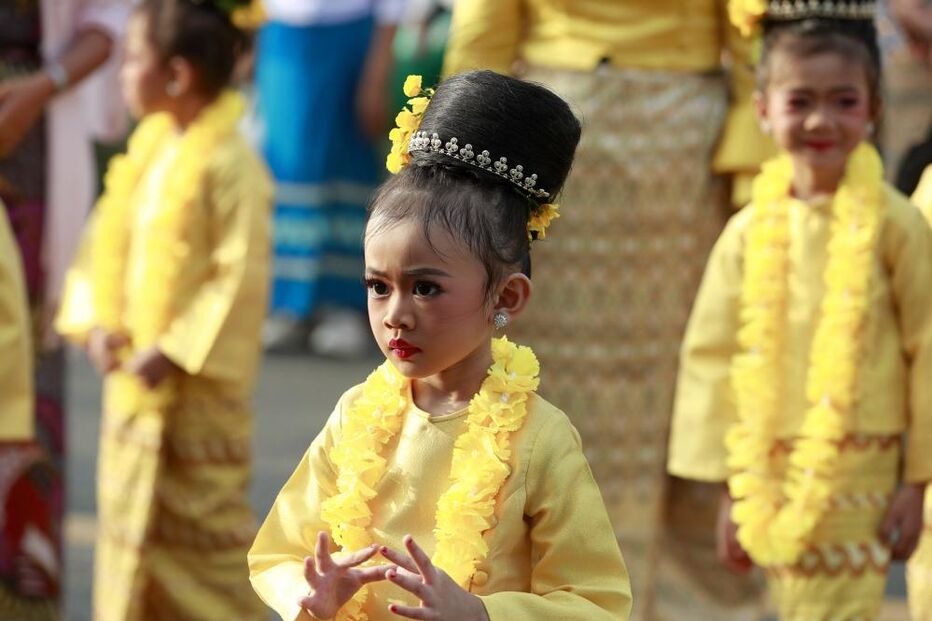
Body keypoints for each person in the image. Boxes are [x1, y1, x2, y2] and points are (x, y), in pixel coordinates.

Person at [248, 70, 632, 621]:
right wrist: (308, 594)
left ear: (508, 295)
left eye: (425, 288)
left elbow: (599, 602)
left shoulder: (541, 440)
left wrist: (483, 614)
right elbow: (280, 550)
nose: (395, 315)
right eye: (378, 286)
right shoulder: (357, 413)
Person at [441, 2, 774, 619]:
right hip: (675, 144)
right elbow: (749, 31)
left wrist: (460, 159)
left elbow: (482, 31)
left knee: (638, 385)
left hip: (558, 140)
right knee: (653, 388)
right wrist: (754, 169)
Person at [668, 1, 932, 619]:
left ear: (875, 111)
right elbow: (712, 356)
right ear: (762, 110)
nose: (821, 120)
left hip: (868, 474)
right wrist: (733, 493)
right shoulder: (746, 231)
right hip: (771, 468)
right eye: (799, 101)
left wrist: (917, 483)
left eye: (844, 101)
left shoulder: (898, 226)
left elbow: (927, 346)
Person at [55, 0, 272, 618]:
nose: (121, 74)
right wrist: (97, 321)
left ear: (175, 76)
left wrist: (175, 348)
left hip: (194, 405)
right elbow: (103, 244)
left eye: (131, 61)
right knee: (127, 540)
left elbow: (239, 276)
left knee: (205, 549)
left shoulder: (235, 166)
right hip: (133, 393)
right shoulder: (146, 150)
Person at [0, 0, 128, 613]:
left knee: (27, 363)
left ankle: (23, 584)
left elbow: (109, 21)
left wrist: (39, 88)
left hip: (27, 133)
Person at [258, 0, 406, 356]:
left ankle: (344, 306)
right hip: (283, 30)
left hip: (354, 29)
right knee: (287, 165)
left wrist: (379, 66)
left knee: (342, 161)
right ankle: (288, 304)